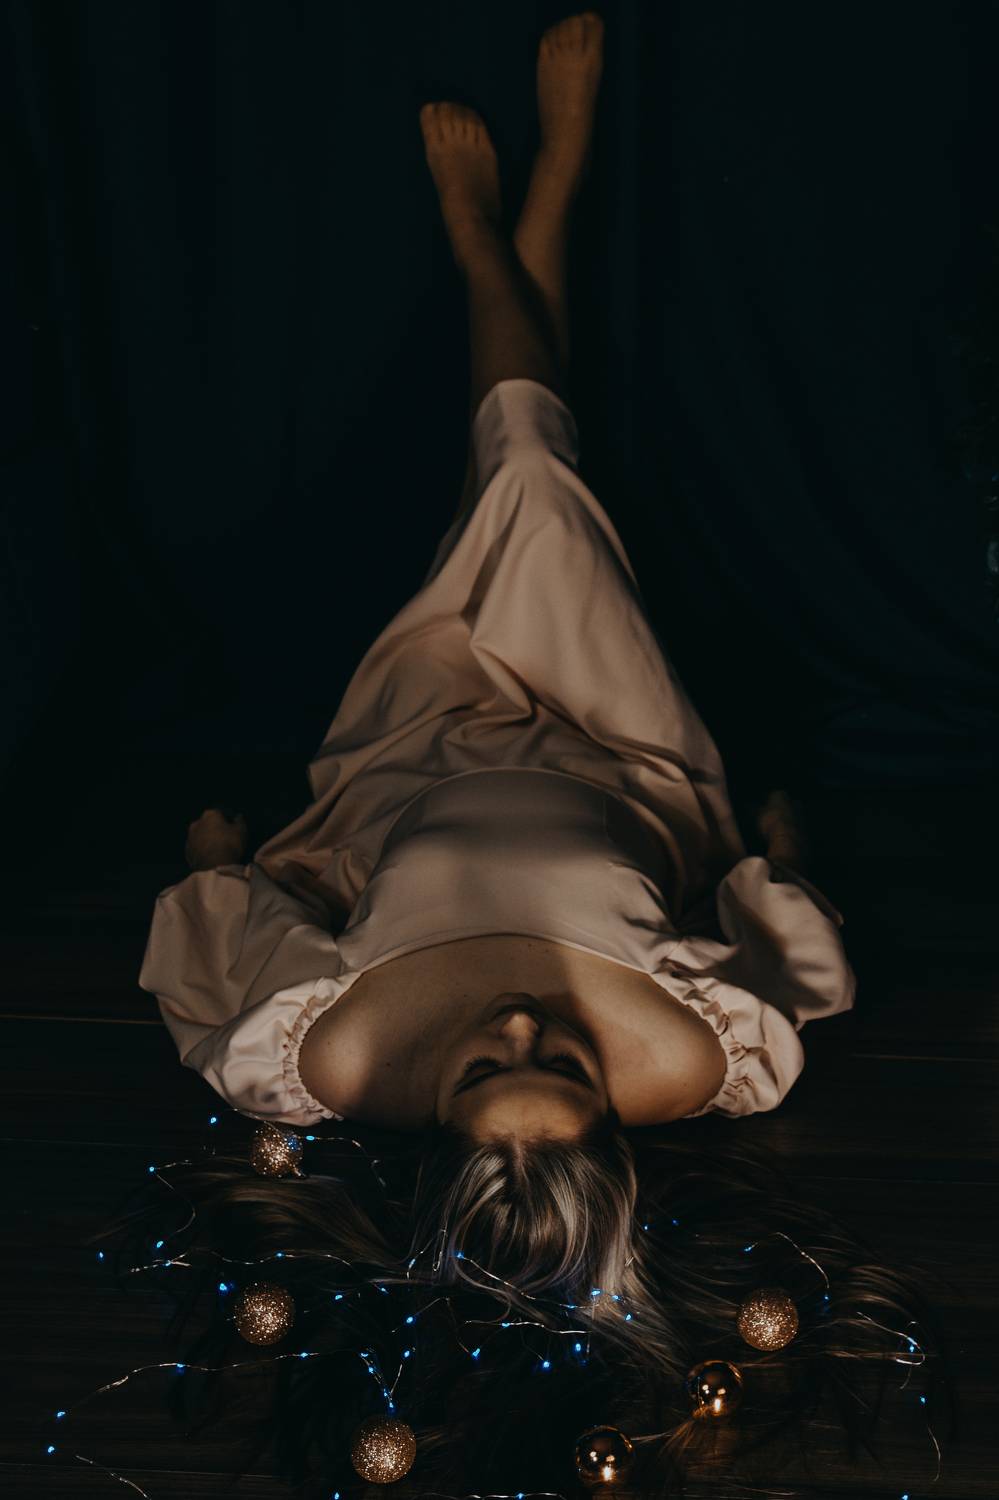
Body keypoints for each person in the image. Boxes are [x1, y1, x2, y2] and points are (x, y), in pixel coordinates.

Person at [140, 11, 853, 1149]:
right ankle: (496, 231)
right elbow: (790, 971)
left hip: (415, 740)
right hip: (614, 737)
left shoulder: (338, 1062)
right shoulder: (687, 1063)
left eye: (481, 1070)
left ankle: (518, 226)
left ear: (439, 1117)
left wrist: (214, 874)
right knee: (527, 469)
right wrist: (780, 864)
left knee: (524, 471)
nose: (522, 1027)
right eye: (568, 1066)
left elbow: (239, 961)